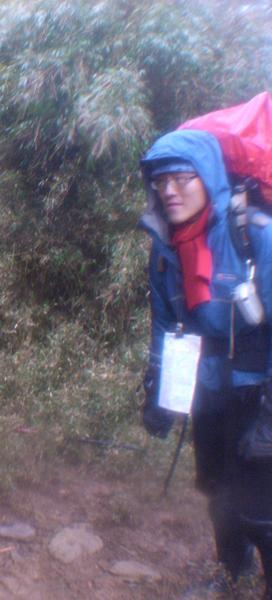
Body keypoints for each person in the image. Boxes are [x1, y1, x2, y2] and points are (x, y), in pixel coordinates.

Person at [139, 128, 272, 598]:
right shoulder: (166, 249)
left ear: (209, 176)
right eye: (160, 182)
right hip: (208, 388)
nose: (169, 191)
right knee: (216, 487)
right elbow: (165, 326)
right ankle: (232, 574)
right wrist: (159, 394)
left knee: (260, 501)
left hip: (258, 390)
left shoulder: (256, 237)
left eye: (181, 178)